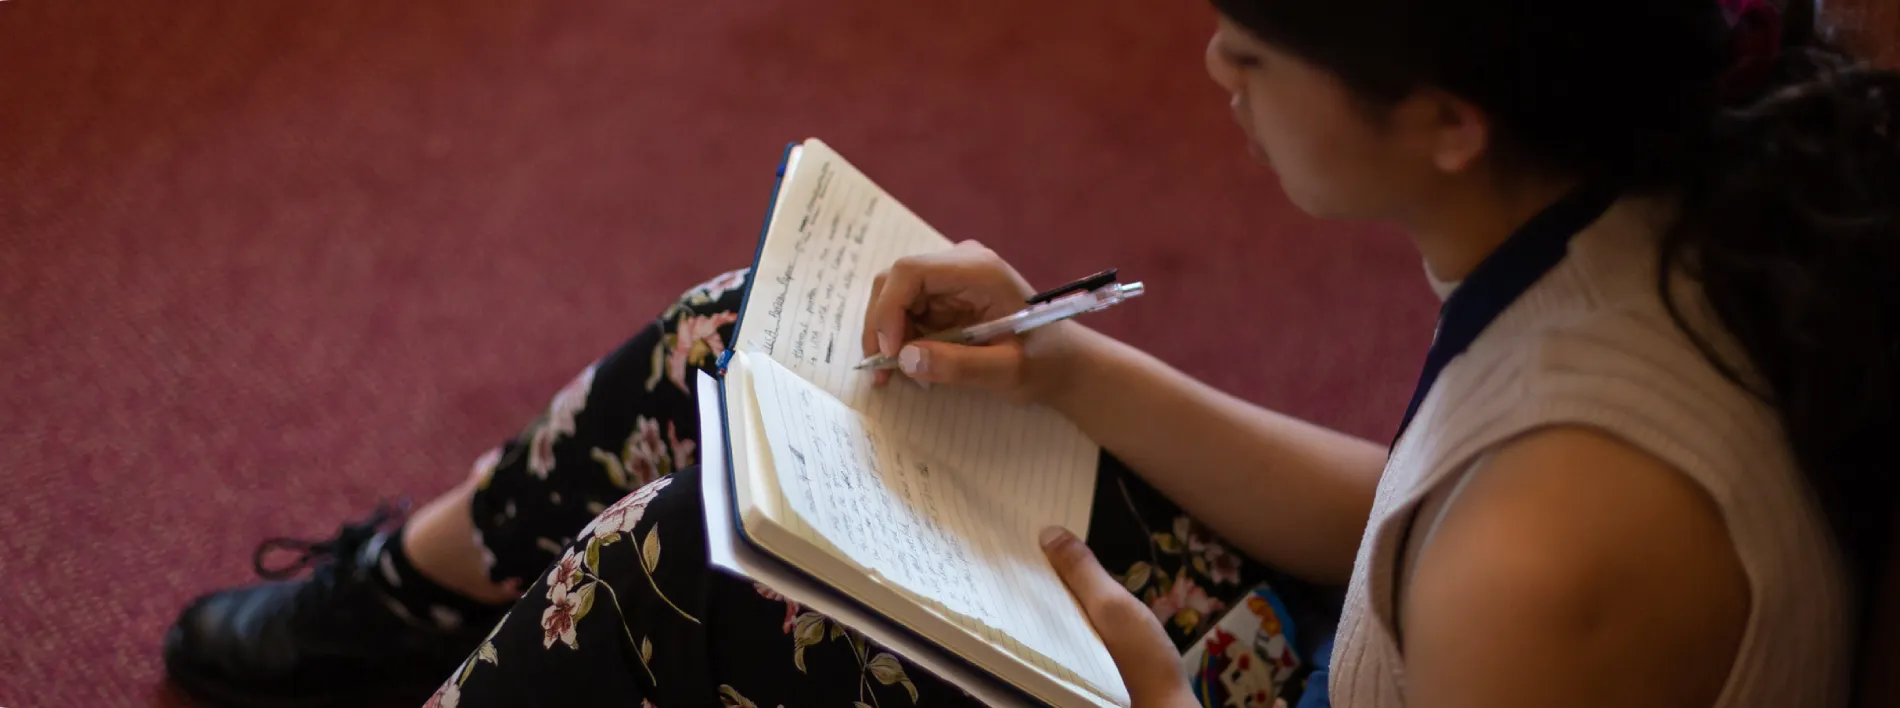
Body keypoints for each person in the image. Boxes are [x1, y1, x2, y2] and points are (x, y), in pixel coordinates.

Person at [163, 0, 1900, 705]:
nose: (1213, 61)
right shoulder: (1662, 175)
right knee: (754, 328)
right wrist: (1070, 368)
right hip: (1332, 660)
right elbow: (1404, 526)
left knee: (678, 574)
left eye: (1257, 45)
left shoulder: (1565, 550)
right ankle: (411, 595)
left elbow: (1469, 562)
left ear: (1446, 118)